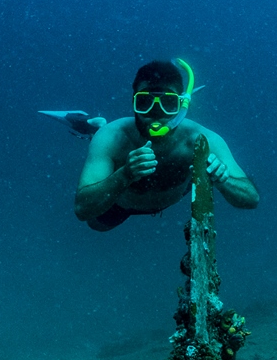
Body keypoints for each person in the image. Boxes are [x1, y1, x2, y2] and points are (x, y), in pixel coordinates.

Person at [73, 59, 258, 231]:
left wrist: (223, 179)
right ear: (133, 102)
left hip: (165, 198)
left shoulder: (200, 140)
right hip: (120, 206)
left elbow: (251, 198)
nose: (156, 114)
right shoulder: (113, 137)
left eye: (168, 103)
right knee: (97, 225)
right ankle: (93, 128)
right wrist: (125, 174)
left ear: (181, 106)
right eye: (145, 102)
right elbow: (82, 209)